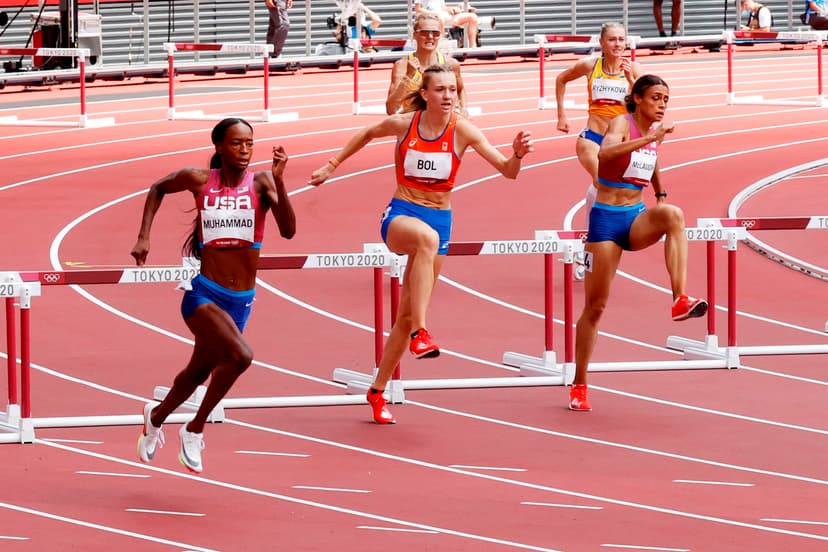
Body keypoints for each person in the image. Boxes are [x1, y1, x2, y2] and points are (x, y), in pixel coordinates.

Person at [309, 64, 533, 424]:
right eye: (441, 90)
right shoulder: (405, 124)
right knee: (424, 243)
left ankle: (377, 390)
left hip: (440, 221)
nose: (448, 96)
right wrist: (331, 166)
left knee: (404, 317)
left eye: (453, 90)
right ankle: (423, 332)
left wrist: (518, 155)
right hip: (401, 215)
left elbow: (507, 171)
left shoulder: (464, 131)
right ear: (425, 94)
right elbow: (367, 132)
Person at [132, 118, 296, 472]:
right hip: (203, 295)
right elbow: (157, 188)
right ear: (219, 147)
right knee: (241, 356)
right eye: (237, 143)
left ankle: (156, 416)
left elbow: (288, 231)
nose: (244, 150)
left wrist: (281, 180)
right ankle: (195, 428)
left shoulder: (264, 182)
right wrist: (144, 236)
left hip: (242, 300)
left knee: (197, 372)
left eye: (250, 144)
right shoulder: (200, 180)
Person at [569, 75, 707, 412]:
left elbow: (653, 158)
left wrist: (659, 192)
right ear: (638, 99)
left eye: (666, 100)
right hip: (605, 220)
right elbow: (605, 153)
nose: (661, 105)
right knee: (596, 307)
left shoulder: (652, 133)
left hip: (635, 215)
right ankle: (580, 382)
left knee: (673, 214)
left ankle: (679, 299)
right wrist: (649, 138)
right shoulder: (621, 122)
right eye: (656, 98)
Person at [555, 22, 641, 278]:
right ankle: (586, 254)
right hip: (591, 137)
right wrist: (561, 115)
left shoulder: (633, 69)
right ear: (602, 43)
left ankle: (593, 243)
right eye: (612, 39)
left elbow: (644, 105)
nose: (617, 44)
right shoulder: (590, 66)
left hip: (617, 143)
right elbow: (561, 79)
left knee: (604, 191)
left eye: (621, 39)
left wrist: (632, 81)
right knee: (601, 182)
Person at [386, 12, 467, 115]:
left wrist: (464, 109)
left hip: (442, 122)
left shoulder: (451, 64)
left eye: (435, 33)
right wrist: (408, 76)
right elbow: (390, 109)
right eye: (424, 33)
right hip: (413, 123)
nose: (430, 36)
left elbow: (460, 90)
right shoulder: (402, 66)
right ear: (415, 35)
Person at [415, 0, 480, 48]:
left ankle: (473, 47)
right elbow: (418, 9)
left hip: (444, 16)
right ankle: (442, 46)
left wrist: (452, 9)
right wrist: (434, 13)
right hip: (430, 17)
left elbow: (443, 8)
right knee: (440, 18)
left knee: (472, 17)